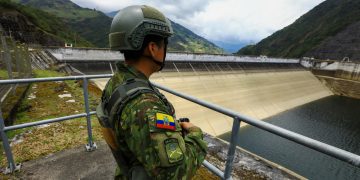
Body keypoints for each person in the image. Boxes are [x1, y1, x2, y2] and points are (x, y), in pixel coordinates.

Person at [96, 5, 207, 180]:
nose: (165, 51)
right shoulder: (145, 105)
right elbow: (178, 173)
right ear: (153, 48)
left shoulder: (118, 82)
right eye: (165, 44)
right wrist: (196, 134)